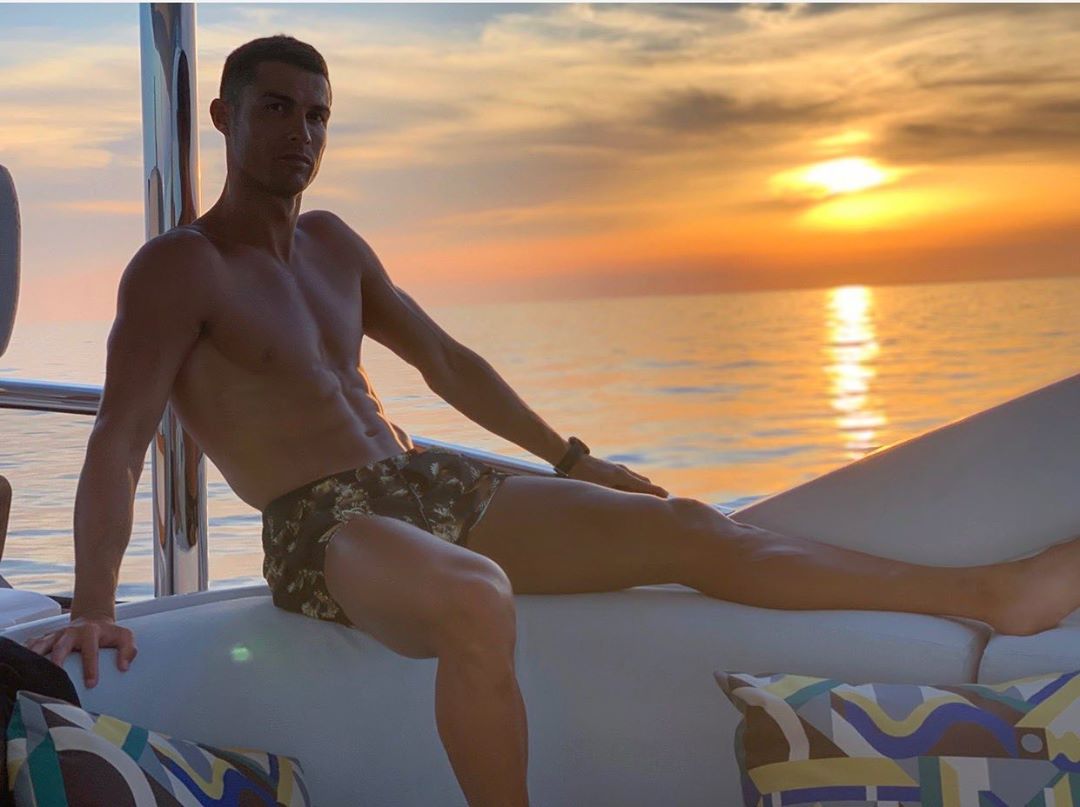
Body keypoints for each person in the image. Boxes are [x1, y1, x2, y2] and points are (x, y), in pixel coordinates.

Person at [23, 35, 1080, 807]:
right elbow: (120, 439)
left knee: (691, 528)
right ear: (223, 118)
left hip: (426, 480)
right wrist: (98, 602)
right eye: (276, 109)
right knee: (475, 599)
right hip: (325, 525)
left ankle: (989, 593)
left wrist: (574, 459)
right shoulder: (181, 268)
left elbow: (447, 363)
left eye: (317, 114)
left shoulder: (334, 245)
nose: (300, 132)